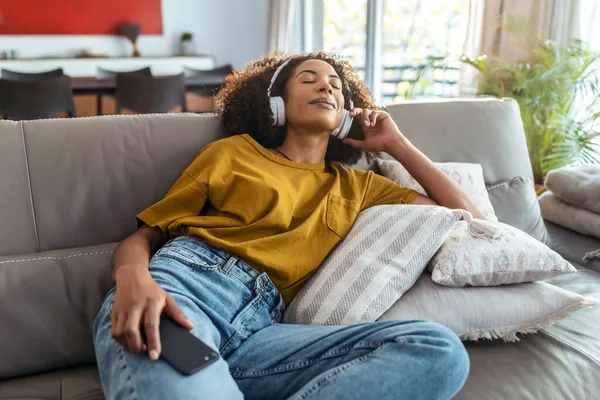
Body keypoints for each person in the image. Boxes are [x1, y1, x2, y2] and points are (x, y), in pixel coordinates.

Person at [93, 52, 482, 400]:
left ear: (346, 115)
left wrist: (396, 144)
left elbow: (473, 219)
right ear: (276, 102)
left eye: (335, 84)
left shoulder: (358, 186)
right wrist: (133, 280)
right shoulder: (233, 152)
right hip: (183, 294)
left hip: (265, 332)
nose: (325, 86)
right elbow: (147, 234)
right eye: (308, 79)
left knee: (437, 350)